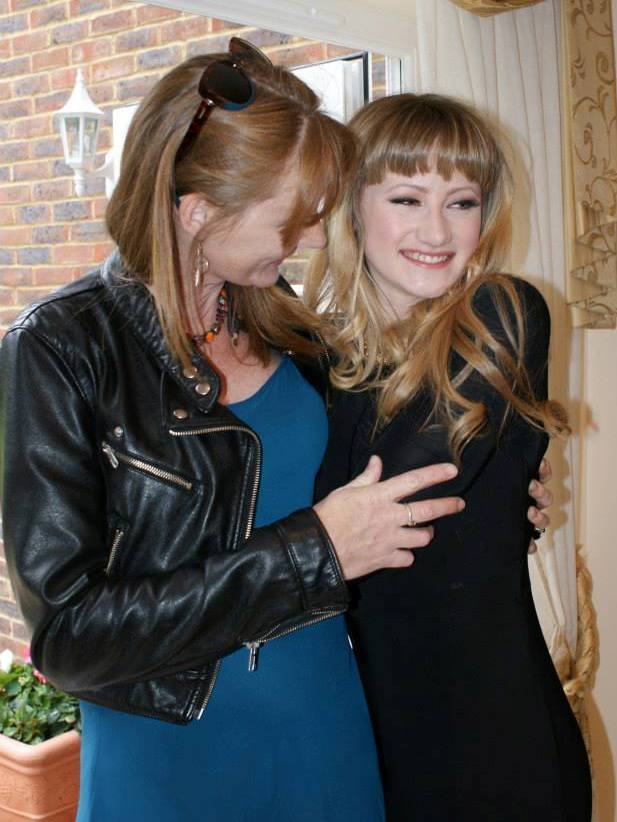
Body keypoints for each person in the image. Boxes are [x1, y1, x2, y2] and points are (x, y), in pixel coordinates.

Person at [0, 44, 470, 822]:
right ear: (198, 212)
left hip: (322, 727)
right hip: (172, 761)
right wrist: (312, 552)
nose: (313, 238)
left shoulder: (292, 328)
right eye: (295, 216)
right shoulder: (61, 348)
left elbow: (372, 482)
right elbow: (71, 638)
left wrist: (500, 490)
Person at [309, 93, 592, 821]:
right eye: (407, 198)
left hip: (495, 750)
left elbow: (397, 497)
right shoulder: (314, 357)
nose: (436, 231)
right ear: (351, 206)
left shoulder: (501, 315)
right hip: (361, 747)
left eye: (461, 203)